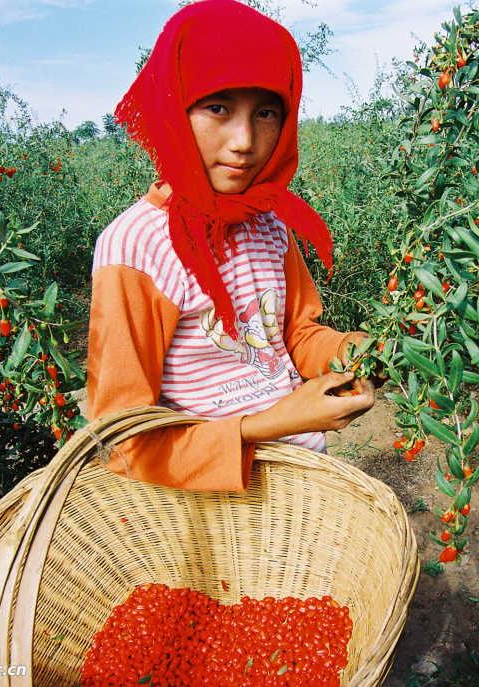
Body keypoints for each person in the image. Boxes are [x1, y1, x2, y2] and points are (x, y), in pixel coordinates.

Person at [86, 0, 375, 491]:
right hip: (208, 505)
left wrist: (364, 353)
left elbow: (295, 335)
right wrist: (279, 420)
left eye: (266, 113)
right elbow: (122, 438)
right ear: (174, 110)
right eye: (217, 108)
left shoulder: (269, 223)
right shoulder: (135, 248)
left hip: (303, 480)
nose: (244, 140)